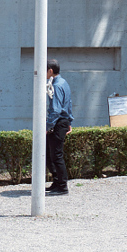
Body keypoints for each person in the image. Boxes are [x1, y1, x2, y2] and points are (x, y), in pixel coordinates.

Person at [45, 58, 73, 196]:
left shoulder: (56, 85)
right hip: (62, 121)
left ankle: (62, 186)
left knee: (55, 155)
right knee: (50, 154)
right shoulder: (63, 82)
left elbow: (56, 110)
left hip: (57, 122)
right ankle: (57, 183)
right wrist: (69, 122)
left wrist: (48, 126)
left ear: (50, 71)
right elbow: (68, 103)